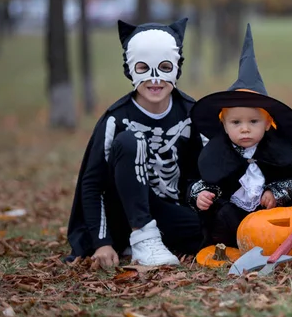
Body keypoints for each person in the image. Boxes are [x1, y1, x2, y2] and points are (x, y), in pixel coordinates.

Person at [66, 18, 206, 267]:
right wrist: (102, 242)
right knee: (131, 141)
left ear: (177, 68)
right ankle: (141, 236)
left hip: (168, 210)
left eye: (164, 67)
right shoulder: (116, 119)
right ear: (129, 70)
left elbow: (211, 168)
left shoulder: (192, 113)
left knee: (214, 230)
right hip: (122, 214)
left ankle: (154, 240)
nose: (154, 79)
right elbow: (91, 185)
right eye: (143, 68)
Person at [188, 24, 292, 247]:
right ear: (224, 126)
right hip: (233, 216)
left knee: (285, 218)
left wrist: (276, 192)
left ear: (267, 124)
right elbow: (202, 179)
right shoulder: (217, 152)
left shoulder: (277, 149)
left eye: (253, 122)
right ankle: (230, 247)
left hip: (270, 215)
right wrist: (201, 195)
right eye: (236, 122)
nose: (245, 129)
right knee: (222, 217)